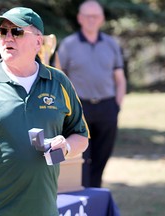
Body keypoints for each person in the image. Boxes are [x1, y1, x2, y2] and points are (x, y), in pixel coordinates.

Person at [0, 7, 89, 216]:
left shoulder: (59, 82)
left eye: (16, 31)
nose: (7, 37)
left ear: (39, 42)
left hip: (42, 209)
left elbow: (81, 137)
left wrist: (65, 146)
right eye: (2, 32)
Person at [58, 0, 126, 188]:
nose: (91, 20)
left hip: (107, 107)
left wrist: (116, 106)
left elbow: (120, 79)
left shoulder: (111, 44)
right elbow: (59, 76)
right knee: (81, 158)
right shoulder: (68, 45)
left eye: (95, 16)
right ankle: (83, 193)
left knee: (102, 156)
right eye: (87, 16)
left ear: (101, 19)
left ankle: (95, 192)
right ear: (80, 18)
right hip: (79, 109)